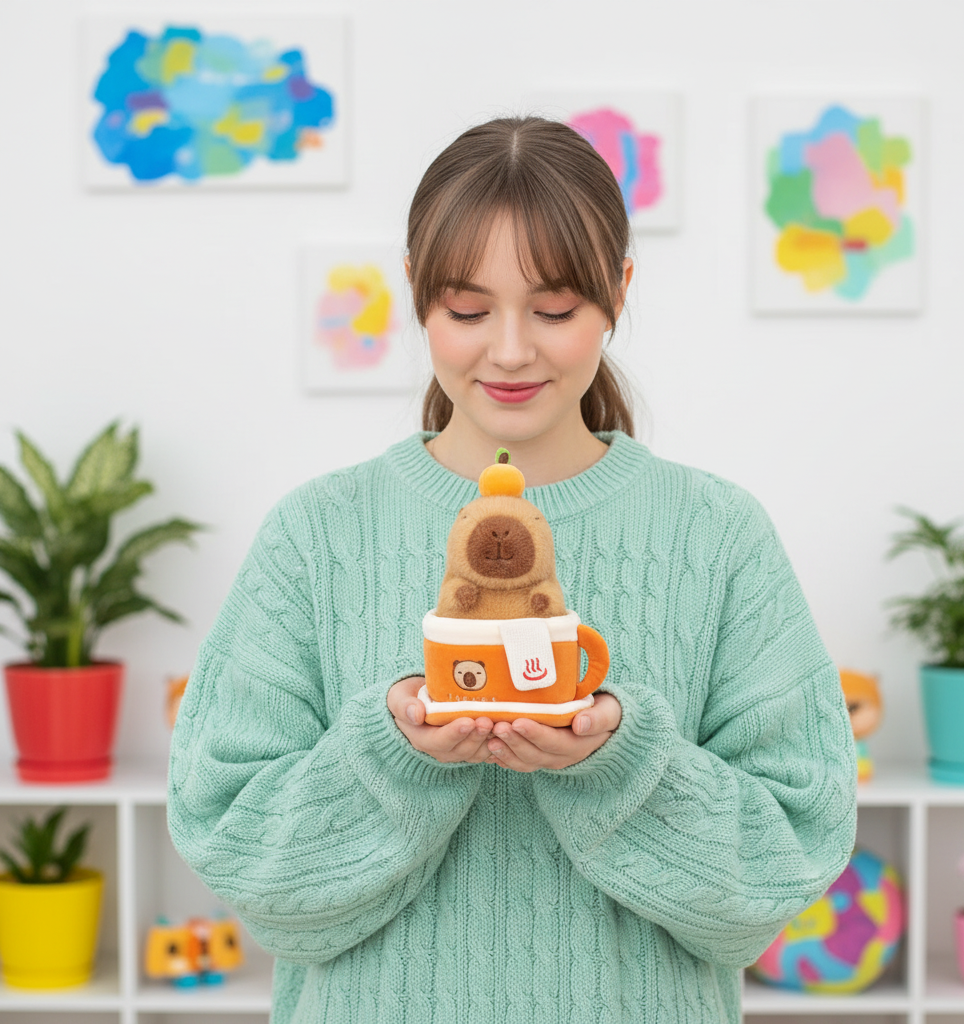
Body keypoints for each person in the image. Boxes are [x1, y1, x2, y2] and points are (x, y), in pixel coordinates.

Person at [167, 116, 858, 1024]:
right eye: (466, 310)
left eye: (556, 310)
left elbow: (789, 862)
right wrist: (394, 756)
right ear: (416, 293)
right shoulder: (316, 536)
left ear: (618, 290)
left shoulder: (716, 536)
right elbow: (235, 850)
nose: (509, 350)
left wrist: (618, 761)